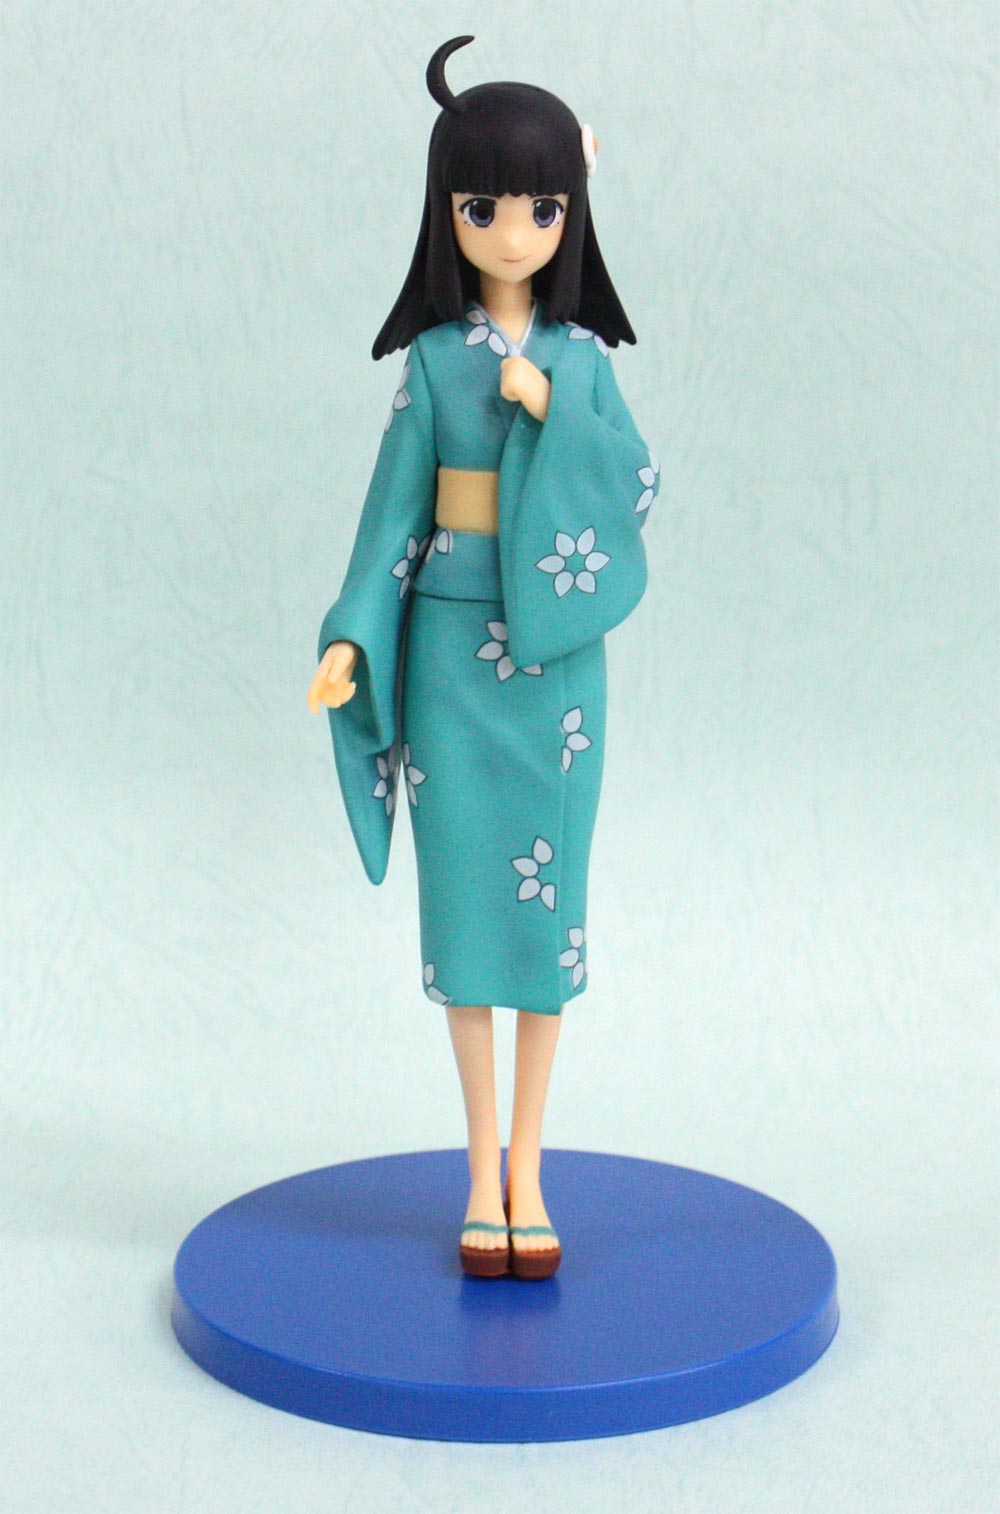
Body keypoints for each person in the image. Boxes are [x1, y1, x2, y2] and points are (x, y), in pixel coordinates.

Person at [308, 36, 660, 1279]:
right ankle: (477, 1168)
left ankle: (532, 1167)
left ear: (572, 209)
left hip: (553, 661)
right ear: (447, 211)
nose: (513, 234)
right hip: (453, 649)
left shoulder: (582, 363)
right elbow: (390, 518)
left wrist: (554, 410)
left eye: (541, 208)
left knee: (546, 915)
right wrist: (353, 633)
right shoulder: (430, 362)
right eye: (484, 207)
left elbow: (634, 483)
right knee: (465, 910)